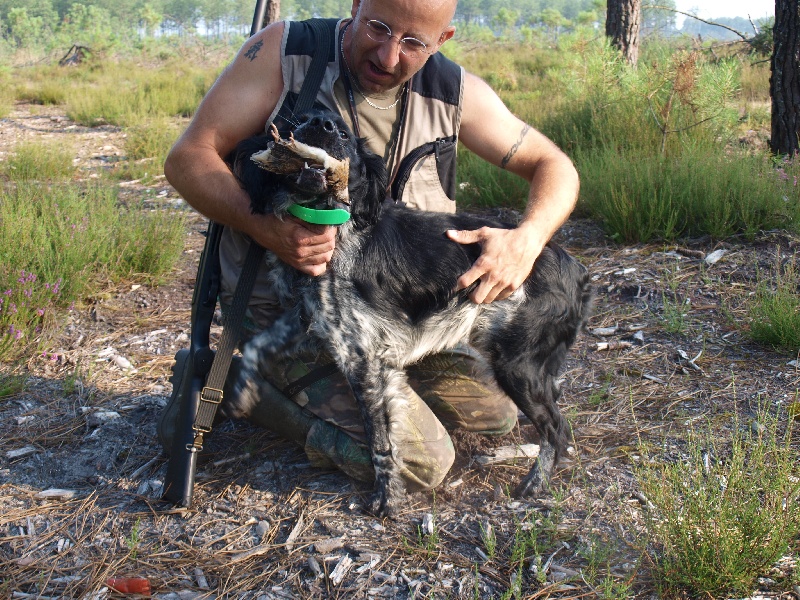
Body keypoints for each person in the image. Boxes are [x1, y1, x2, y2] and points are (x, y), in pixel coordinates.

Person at [161, 0, 580, 492]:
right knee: (422, 463)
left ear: (442, 40)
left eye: (413, 43)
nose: (387, 55)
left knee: (494, 414)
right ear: (356, 6)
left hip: (394, 314)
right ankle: (242, 385)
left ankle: (360, 381)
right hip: (287, 313)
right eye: (378, 28)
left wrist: (526, 240)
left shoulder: (454, 91)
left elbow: (555, 166)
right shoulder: (287, 52)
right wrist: (265, 229)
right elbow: (187, 158)